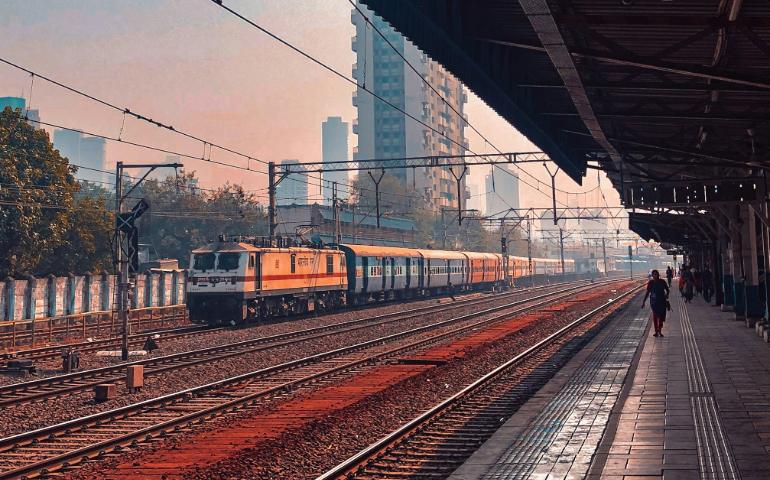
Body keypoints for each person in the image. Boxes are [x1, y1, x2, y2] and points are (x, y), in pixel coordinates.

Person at [642, 269, 670, 337]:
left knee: (661, 316)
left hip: (662, 301)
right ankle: (656, 331)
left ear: (658, 275)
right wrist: (644, 301)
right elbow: (648, 292)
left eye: (656, 274)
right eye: (653, 274)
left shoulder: (662, 281)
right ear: (652, 275)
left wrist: (666, 295)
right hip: (654, 302)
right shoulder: (650, 283)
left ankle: (659, 330)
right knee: (655, 316)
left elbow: (667, 290)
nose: (655, 275)